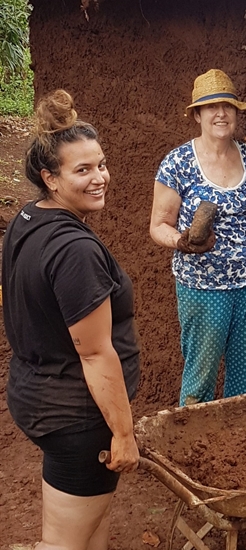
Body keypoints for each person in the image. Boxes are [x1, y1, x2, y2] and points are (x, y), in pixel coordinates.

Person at [2, 89, 140, 550]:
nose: (100, 177)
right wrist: (122, 433)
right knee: (63, 546)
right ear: (51, 178)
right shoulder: (75, 252)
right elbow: (97, 352)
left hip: (38, 392)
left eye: (100, 164)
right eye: (82, 170)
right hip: (77, 416)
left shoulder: (27, 219)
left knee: (90, 532)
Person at [150, 69, 246, 406]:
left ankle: (236, 444)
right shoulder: (178, 164)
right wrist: (181, 241)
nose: (220, 114)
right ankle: (193, 444)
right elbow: (158, 225)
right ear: (198, 114)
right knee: (201, 372)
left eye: (227, 106)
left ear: (236, 113)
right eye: (211, 107)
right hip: (203, 285)